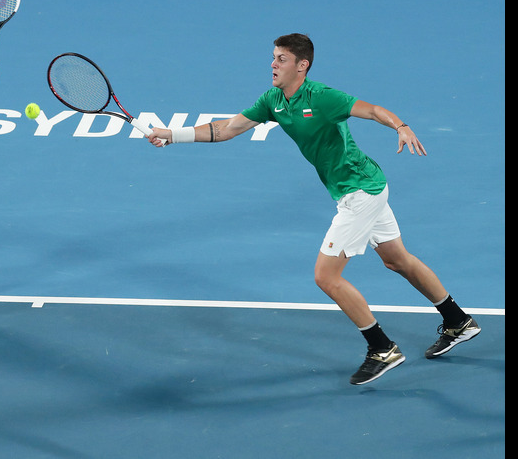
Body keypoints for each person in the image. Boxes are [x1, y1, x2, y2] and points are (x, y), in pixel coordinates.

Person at [144, 33, 480, 385]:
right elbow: (228, 128)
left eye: (281, 59)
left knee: (326, 276)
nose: (273, 64)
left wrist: (401, 125)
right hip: (361, 187)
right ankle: (458, 320)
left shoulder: (322, 98)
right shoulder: (273, 100)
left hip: (360, 191)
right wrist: (171, 134)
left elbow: (372, 110)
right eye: (273, 57)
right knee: (397, 259)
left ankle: (382, 349)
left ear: (301, 66)